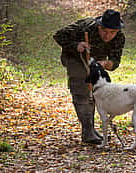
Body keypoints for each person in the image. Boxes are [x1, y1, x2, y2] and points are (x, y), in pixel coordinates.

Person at [53, 9, 125, 144]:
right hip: (75, 58)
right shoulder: (85, 27)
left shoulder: (120, 37)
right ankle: (88, 131)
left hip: (95, 62)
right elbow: (58, 35)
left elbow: (115, 61)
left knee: (95, 92)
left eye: (112, 32)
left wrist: (107, 64)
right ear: (99, 26)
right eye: (104, 31)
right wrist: (77, 45)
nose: (107, 35)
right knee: (81, 90)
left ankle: (90, 129)